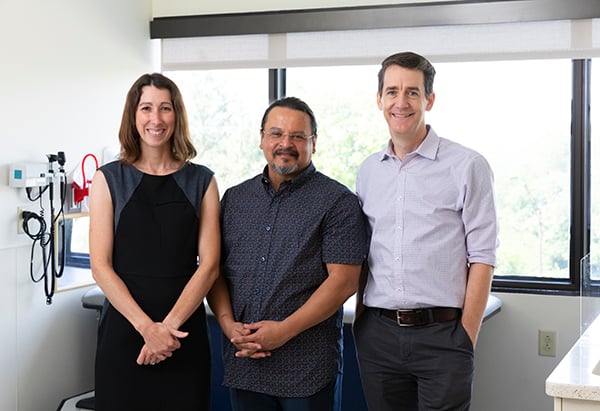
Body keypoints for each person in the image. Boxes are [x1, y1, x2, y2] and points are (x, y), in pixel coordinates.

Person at [353, 51, 499, 411]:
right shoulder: (368, 171)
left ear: (429, 100)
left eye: (412, 92)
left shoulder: (467, 165)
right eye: (392, 91)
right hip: (378, 337)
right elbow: (363, 253)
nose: (400, 102)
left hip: (443, 338)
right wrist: (361, 323)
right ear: (379, 99)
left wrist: (465, 337)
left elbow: (482, 256)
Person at [207, 96, 368, 411]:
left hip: (306, 369)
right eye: (276, 133)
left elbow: (344, 282)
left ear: (314, 143)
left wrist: (282, 332)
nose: (286, 143)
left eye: (298, 136)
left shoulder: (338, 202)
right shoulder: (235, 199)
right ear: (262, 139)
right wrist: (227, 324)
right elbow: (215, 270)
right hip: (244, 363)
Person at [89, 73, 220, 410]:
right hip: (126, 332)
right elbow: (100, 267)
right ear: (133, 116)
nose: (156, 119)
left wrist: (167, 330)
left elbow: (209, 266)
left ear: (176, 115)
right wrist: (147, 328)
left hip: (182, 336)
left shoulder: (202, 181)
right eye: (146, 108)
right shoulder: (108, 179)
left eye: (165, 108)